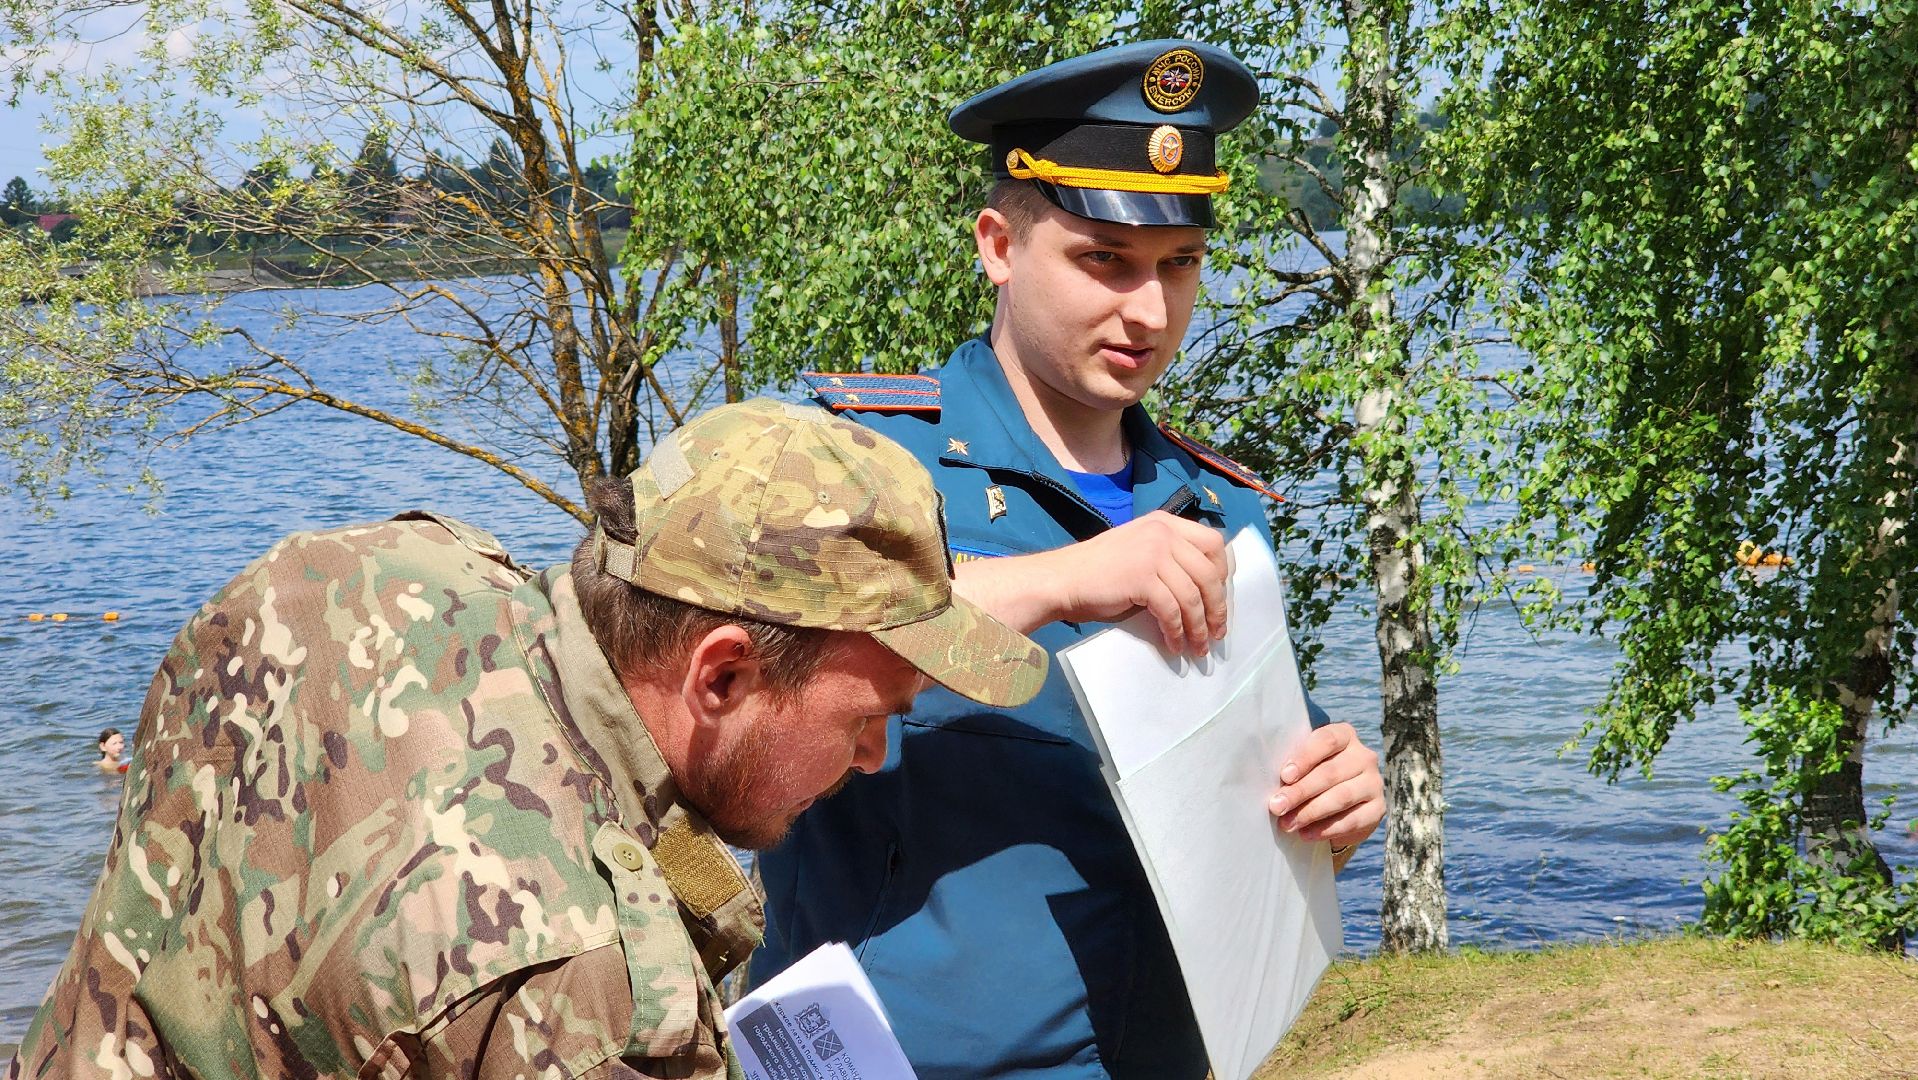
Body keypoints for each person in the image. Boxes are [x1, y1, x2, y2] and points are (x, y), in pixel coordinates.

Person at [8, 399, 1046, 1080]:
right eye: (864, 722)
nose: (872, 762)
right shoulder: (574, 982)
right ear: (721, 674)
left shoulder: (364, 571)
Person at [755, 41, 1388, 1078]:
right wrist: (1058, 582)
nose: (1149, 311)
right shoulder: (855, 458)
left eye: (1179, 264)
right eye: (1104, 259)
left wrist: (1328, 804)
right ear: (998, 245)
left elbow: (1242, 791)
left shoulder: (1218, 507)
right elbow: (752, 668)